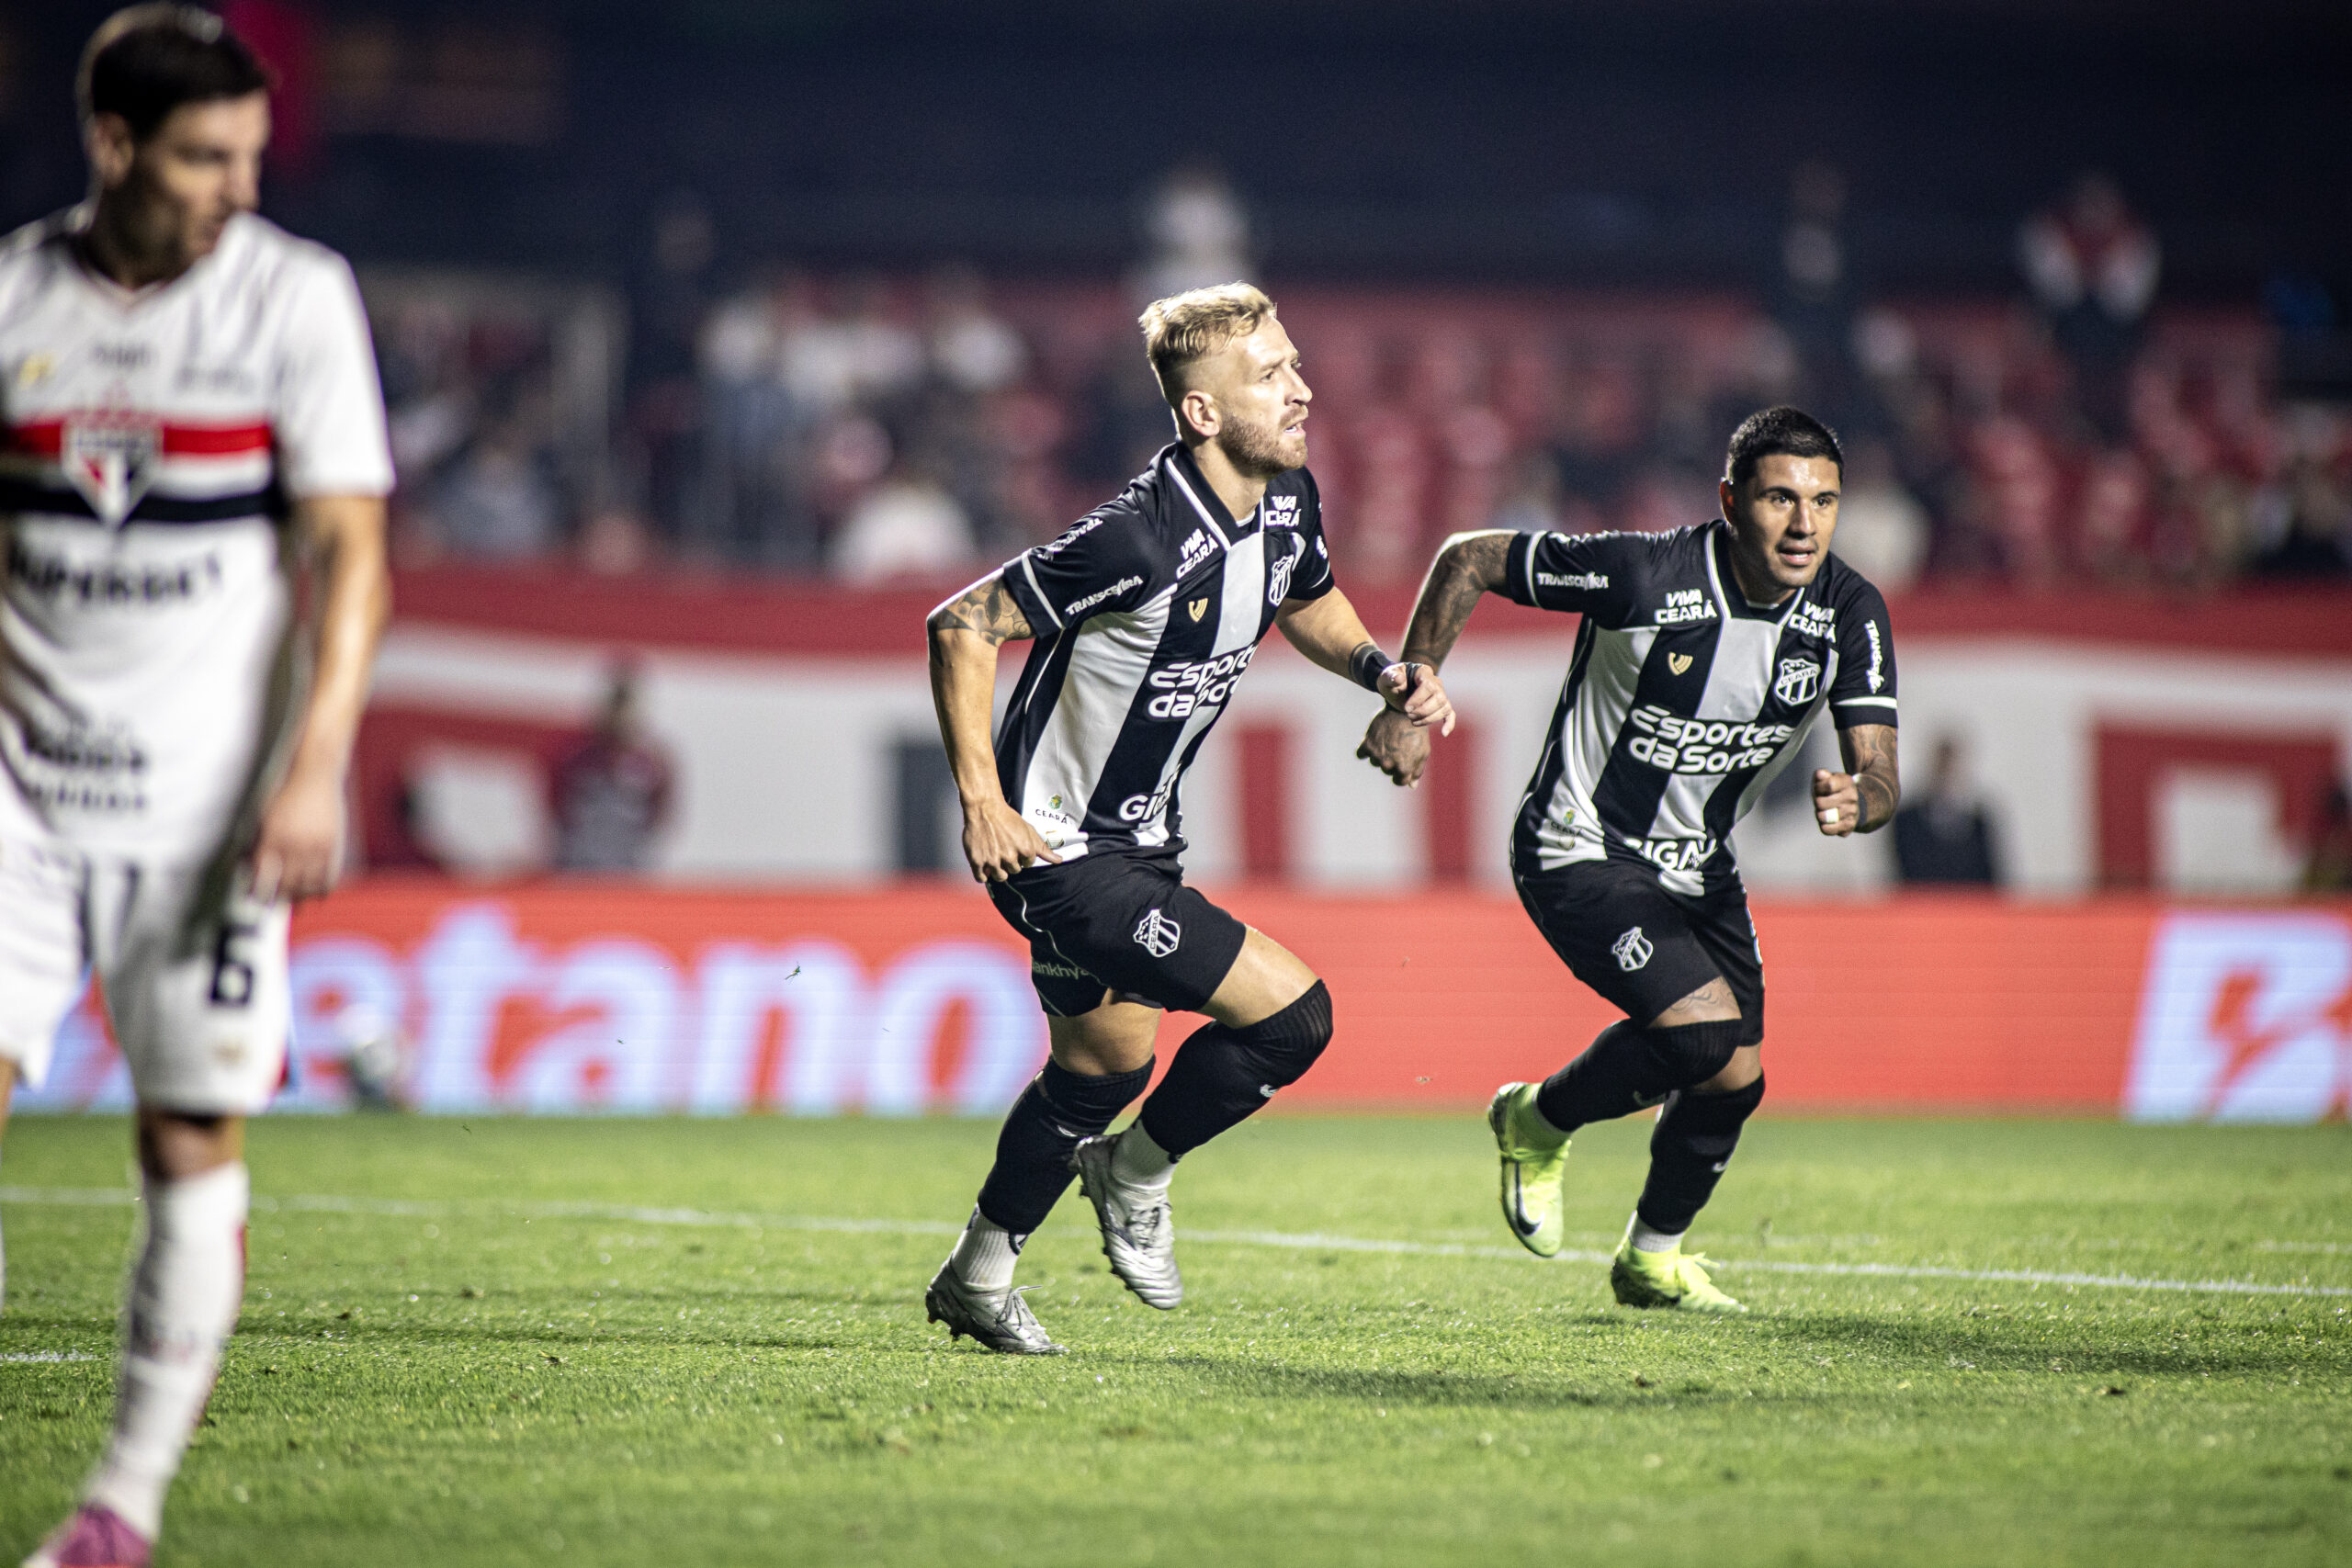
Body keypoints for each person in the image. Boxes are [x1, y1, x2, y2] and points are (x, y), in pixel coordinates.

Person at [0, 10, 393, 1565]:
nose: (237, 183)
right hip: (21, 793)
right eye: (202, 155)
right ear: (114, 146)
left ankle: (121, 1510)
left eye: (248, 151)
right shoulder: (17, 293)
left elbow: (348, 548)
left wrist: (313, 768)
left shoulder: (291, 298)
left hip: (209, 805)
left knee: (183, 1137)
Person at [921, 283, 1453, 1354]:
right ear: (1203, 413)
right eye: (1270, 376)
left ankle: (977, 1277)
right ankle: (1133, 1172)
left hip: (1141, 842)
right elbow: (963, 622)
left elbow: (1304, 597)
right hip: (1061, 851)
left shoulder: (1286, 499)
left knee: (1103, 1072)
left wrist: (1379, 671)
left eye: (1294, 363)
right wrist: (981, 800)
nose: (1300, 390)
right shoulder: (1135, 539)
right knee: (1292, 1018)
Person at [1362, 407, 1898, 1314]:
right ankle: (1535, 1121)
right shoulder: (1643, 572)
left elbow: (1880, 770)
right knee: (1697, 1036)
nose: (1804, 523)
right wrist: (1409, 697)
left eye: (1823, 501)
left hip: (1700, 867)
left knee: (1734, 1078)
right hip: (1579, 846)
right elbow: (1467, 557)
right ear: (1731, 501)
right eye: (1779, 498)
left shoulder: (1849, 612)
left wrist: (1863, 799)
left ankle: (1651, 1259)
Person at [548, 660, 674, 874]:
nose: (619, 715)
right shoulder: (575, 756)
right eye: (614, 705)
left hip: (630, 865)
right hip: (578, 867)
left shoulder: (651, 759)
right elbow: (556, 804)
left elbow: (662, 811)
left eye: (626, 706)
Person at [1892, 735, 2000, 886]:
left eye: (1951, 764)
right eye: (1942, 763)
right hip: (1922, 905)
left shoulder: (1978, 824)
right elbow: (1904, 871)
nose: (1947, 771)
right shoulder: (1906, 821)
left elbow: (1990, 877)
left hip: (1968, 905)